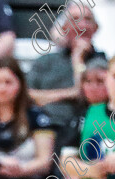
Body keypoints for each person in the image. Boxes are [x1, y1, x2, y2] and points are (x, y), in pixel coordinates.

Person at [38, 59, 110, 179]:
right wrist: (79, 173)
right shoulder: (77, 117)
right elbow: (65, 159)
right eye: (88, 81)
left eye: (100, 81)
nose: (93, 87)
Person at [27, 1, 106, 129]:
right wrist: (69, 93)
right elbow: (24, 95)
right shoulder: (46, 61)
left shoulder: (104, 65)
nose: (82, 25)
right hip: (45, 128)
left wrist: (77, 60)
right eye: (75, 19)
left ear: (96, 28)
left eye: (87, 19)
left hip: (88, 131)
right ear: (64, 28)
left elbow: (85, 95)